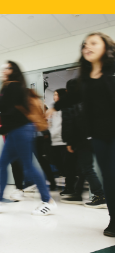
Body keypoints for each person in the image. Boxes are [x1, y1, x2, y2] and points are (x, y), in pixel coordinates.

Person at [0, 61, 57, 216]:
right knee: (4, 162)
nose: (2, 70)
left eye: (6, 67)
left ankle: (48, 201)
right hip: (16, 131)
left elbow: (9, 110)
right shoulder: (9, 86)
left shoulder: (13, 86)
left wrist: (1, 127)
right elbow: (6, 108)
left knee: (28, 165)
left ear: (12, 70)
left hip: (21, 130)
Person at [78, 32, 115, 236]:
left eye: (93, 43)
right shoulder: (85, 78)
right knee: (108, 178)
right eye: (85, 44)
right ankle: (114, 219)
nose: (87, 47)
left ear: (105, 47)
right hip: (99, 137)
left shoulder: (112, 72)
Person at [49, 79, 106, 208]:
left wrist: (69, 142)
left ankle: (99, 195)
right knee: (83, 168)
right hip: (92, 138)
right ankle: (78, 194)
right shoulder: (85, 100)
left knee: (86, 168)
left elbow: (71, 124)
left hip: (82, 139)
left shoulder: (72, 104)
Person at [48, 88, 77, 196]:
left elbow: (68, 125)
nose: (55, 97)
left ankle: (70, 188)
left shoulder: (66, 108)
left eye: (57, 94)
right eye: (54, 94)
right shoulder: (52, 109)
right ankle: (71, 182)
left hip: (64, 141)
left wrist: (69, 140)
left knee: (67, 166)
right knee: (59, 165)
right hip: (54, 141)